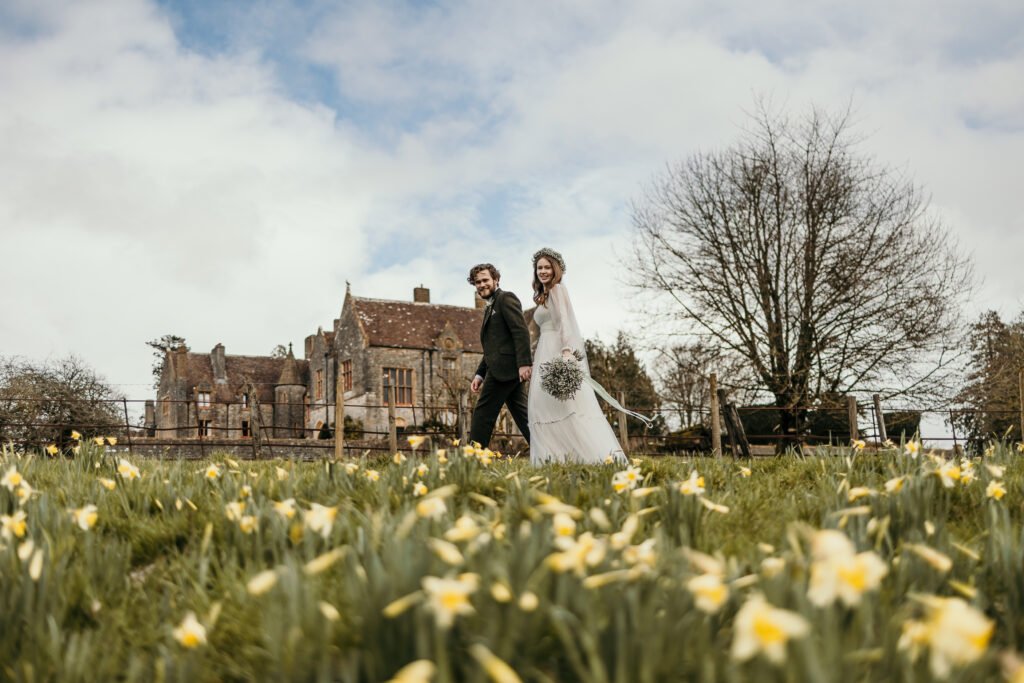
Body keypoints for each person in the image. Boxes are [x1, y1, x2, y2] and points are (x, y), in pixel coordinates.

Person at [528, 248, 647, 465]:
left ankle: (591, 457)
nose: (543, 271)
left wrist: (566, 352)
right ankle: (553, 460)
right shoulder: (543, 296)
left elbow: (565, 321)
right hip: (543, 352)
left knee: (569, 408)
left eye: (547, 267)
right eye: (539, 268)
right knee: (542, 406)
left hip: (556, 350)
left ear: (555, 270)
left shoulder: (557, 290)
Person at [468, 263, 533, 449]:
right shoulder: (489, 307)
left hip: (506, 368)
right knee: (523, 415)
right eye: (477, 282)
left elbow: (520, 331)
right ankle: (547, 453)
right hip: (504, 368)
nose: (481, 284)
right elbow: (493, 348)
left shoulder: (506, 298)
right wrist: (479, 374)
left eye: (485, 280)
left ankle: (472, 458)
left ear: (496, 280)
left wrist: (524, 363)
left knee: (483, 413)